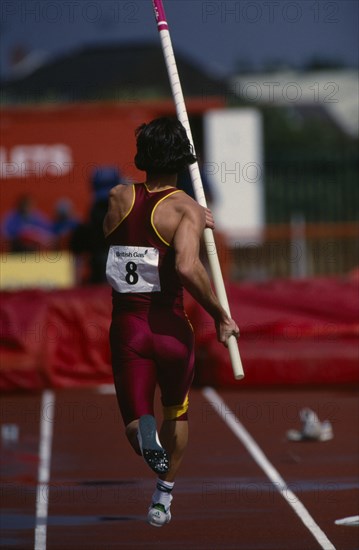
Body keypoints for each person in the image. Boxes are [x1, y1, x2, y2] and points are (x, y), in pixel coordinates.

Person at [103, 117, 239, 527]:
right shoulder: (185, 208)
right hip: (171, 329)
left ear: (143, 157)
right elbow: (186, 267)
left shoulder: (116, 196)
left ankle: (144, 437)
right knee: (176, 413)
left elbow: (111, 240)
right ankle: (163, 497)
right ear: (184, 158)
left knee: (133, 420)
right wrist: (220, 315)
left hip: (128, 327)